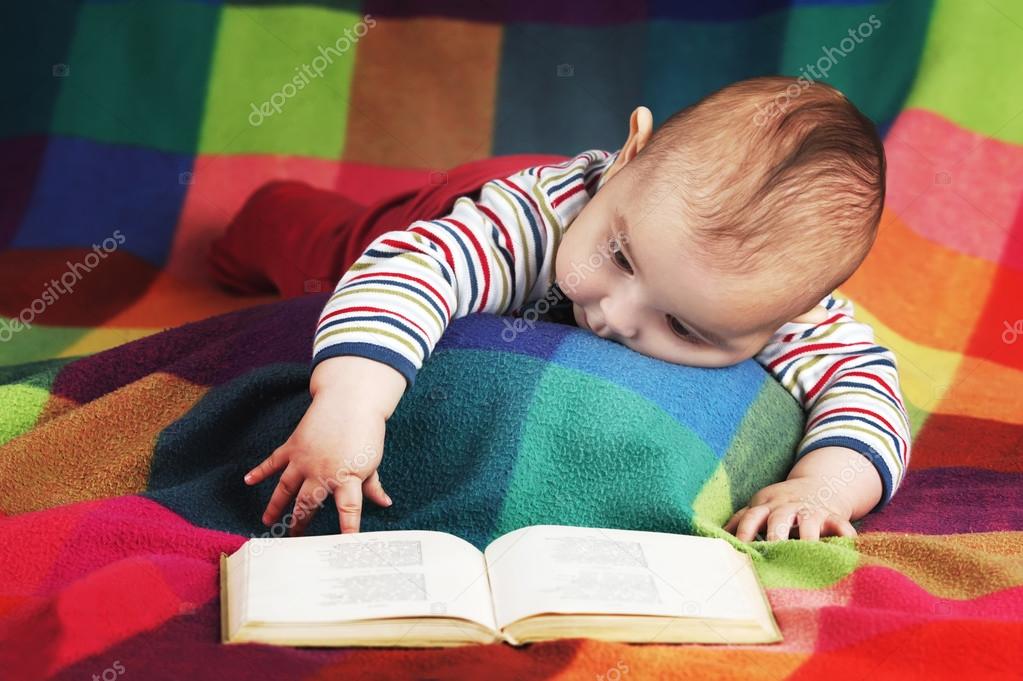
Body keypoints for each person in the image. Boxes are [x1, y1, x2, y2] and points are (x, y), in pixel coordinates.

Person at [219, 76, 910, 543]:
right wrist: (352, 402)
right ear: (626, 158)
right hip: (464, 204)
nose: (613, 313)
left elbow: (865, 385)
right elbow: (412, 270)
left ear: (790, 314)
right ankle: (260, 214)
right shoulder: (530, 225)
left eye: (682, 326)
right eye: (620, 258)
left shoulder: (777, 304)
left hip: (589, 211)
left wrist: (822, 486)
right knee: (322, 249)